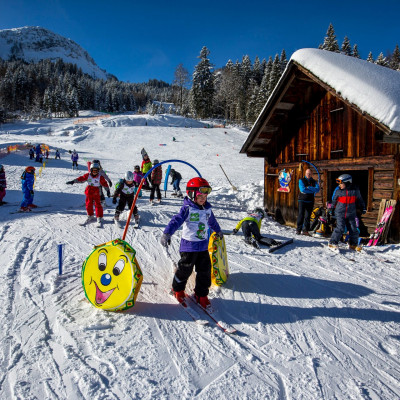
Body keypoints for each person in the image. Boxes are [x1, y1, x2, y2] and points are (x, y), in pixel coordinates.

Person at [160, 177, 223, 309]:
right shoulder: (188, 208)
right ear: (192, 194)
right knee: (185, 270)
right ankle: (177, 289)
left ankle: (201, 294)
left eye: (205, 196)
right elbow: (176, 220)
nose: (203, 198)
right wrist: (167, 233)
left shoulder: (207, 209)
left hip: (203, 246)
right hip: (189, 246)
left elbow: (212, 222)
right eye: (200, 196)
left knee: (205, 271)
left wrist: (218, 230)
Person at [328, 174, 366, 251]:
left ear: (347, 182)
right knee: (340, 228)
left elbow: (360, 200)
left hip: (351, 213)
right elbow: (334, 201)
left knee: (353, 229)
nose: (340, 185)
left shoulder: (355, 191)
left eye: (341, 183)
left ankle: (353, 243)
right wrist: (331, 209)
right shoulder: (338, 191)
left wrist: (363, 208)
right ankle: (332, 242)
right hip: (340, 213)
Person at [296, 168, 320, 235]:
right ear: (305, 173)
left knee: (308, 216)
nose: (308, 175)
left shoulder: (314, 182)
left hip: (310, 201)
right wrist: (312, 190)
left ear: (312, 174)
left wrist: (309, 188)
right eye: (307, 173)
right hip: (302, 200)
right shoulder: (301, 180)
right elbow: (302, 189)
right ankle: (298, 229)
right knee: (301, 215)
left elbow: (317, 189)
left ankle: (305, 230)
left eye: (309, 173)